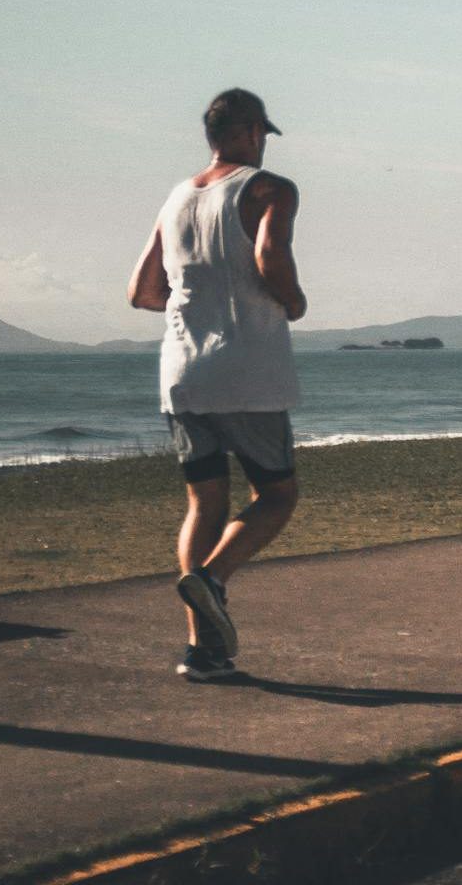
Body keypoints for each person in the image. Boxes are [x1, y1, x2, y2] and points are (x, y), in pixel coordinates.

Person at [128, 88, 306, 682]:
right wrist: (293, 300)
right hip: (247, 372)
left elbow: (143, 293)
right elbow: (270, 255)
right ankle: (211, 579)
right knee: (277, 496)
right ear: (253, 130)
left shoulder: (176, 198)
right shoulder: (268, 189)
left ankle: (204, 651)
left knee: (205, 502)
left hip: (181, 374)